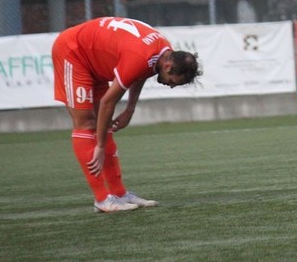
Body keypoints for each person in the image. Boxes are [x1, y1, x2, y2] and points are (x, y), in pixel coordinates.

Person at [52, 17, 202, 212]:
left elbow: (141, 72)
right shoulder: (141, 56)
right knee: (87, 123)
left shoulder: (164, 52)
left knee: (102, 124)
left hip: (94, 60)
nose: (172, 85)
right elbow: (108, 101)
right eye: (174, 80)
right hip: (73, 52)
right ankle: (102, 199)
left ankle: (119, 194)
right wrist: (99, 145)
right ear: (167, 67)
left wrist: (130, 109)